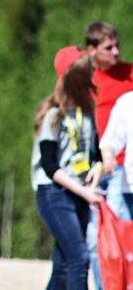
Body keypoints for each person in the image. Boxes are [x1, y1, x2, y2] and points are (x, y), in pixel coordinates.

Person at [31, 46, 103, 290]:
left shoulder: (87, 113)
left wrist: (99, 169)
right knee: (79, 258)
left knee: (63, 265)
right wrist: (85, 193)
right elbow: (50, 166)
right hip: (54, 193)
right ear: (75, 78)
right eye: (89, 72)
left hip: (80, 191)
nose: (94, 76)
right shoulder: (52, 115)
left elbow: (97, 153)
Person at [83, 21, 133, 290]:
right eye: (108, 47)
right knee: (105, 239)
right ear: (92, 51)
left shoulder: (129, 75)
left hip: (126, 164)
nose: (116, 52)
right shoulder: (86, 79)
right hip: (101, 165)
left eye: (117, 45)